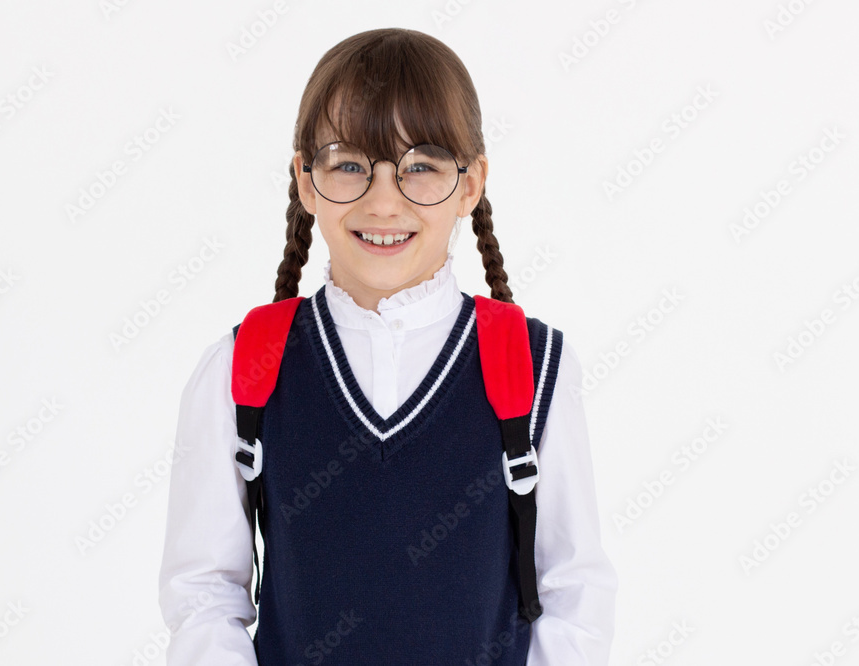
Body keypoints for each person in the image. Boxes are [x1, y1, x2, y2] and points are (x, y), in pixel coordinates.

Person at [158, 27, 618, 665]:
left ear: (470, 184)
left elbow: (574, 593)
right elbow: (204, 593)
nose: (382, 201)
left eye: (420, 166)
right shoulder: (242, 368)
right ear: (305, 178)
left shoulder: (531, 368)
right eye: (349, 164)